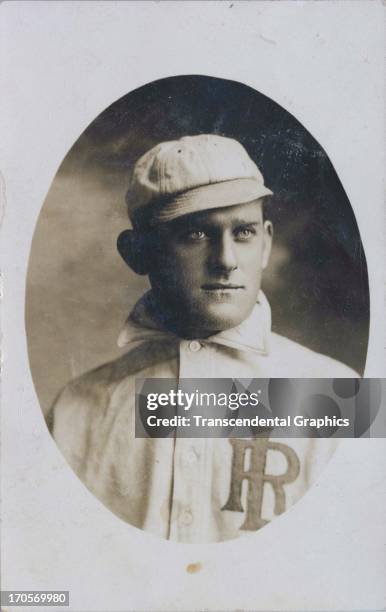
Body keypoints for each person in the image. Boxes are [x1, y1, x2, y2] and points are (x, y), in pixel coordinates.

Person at [50, 134, 357, 543]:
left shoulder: (338, 394)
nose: (226, 261)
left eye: (243, 232)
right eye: (196, 235)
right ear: (138, 252)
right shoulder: (77, 411)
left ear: (266, 243)